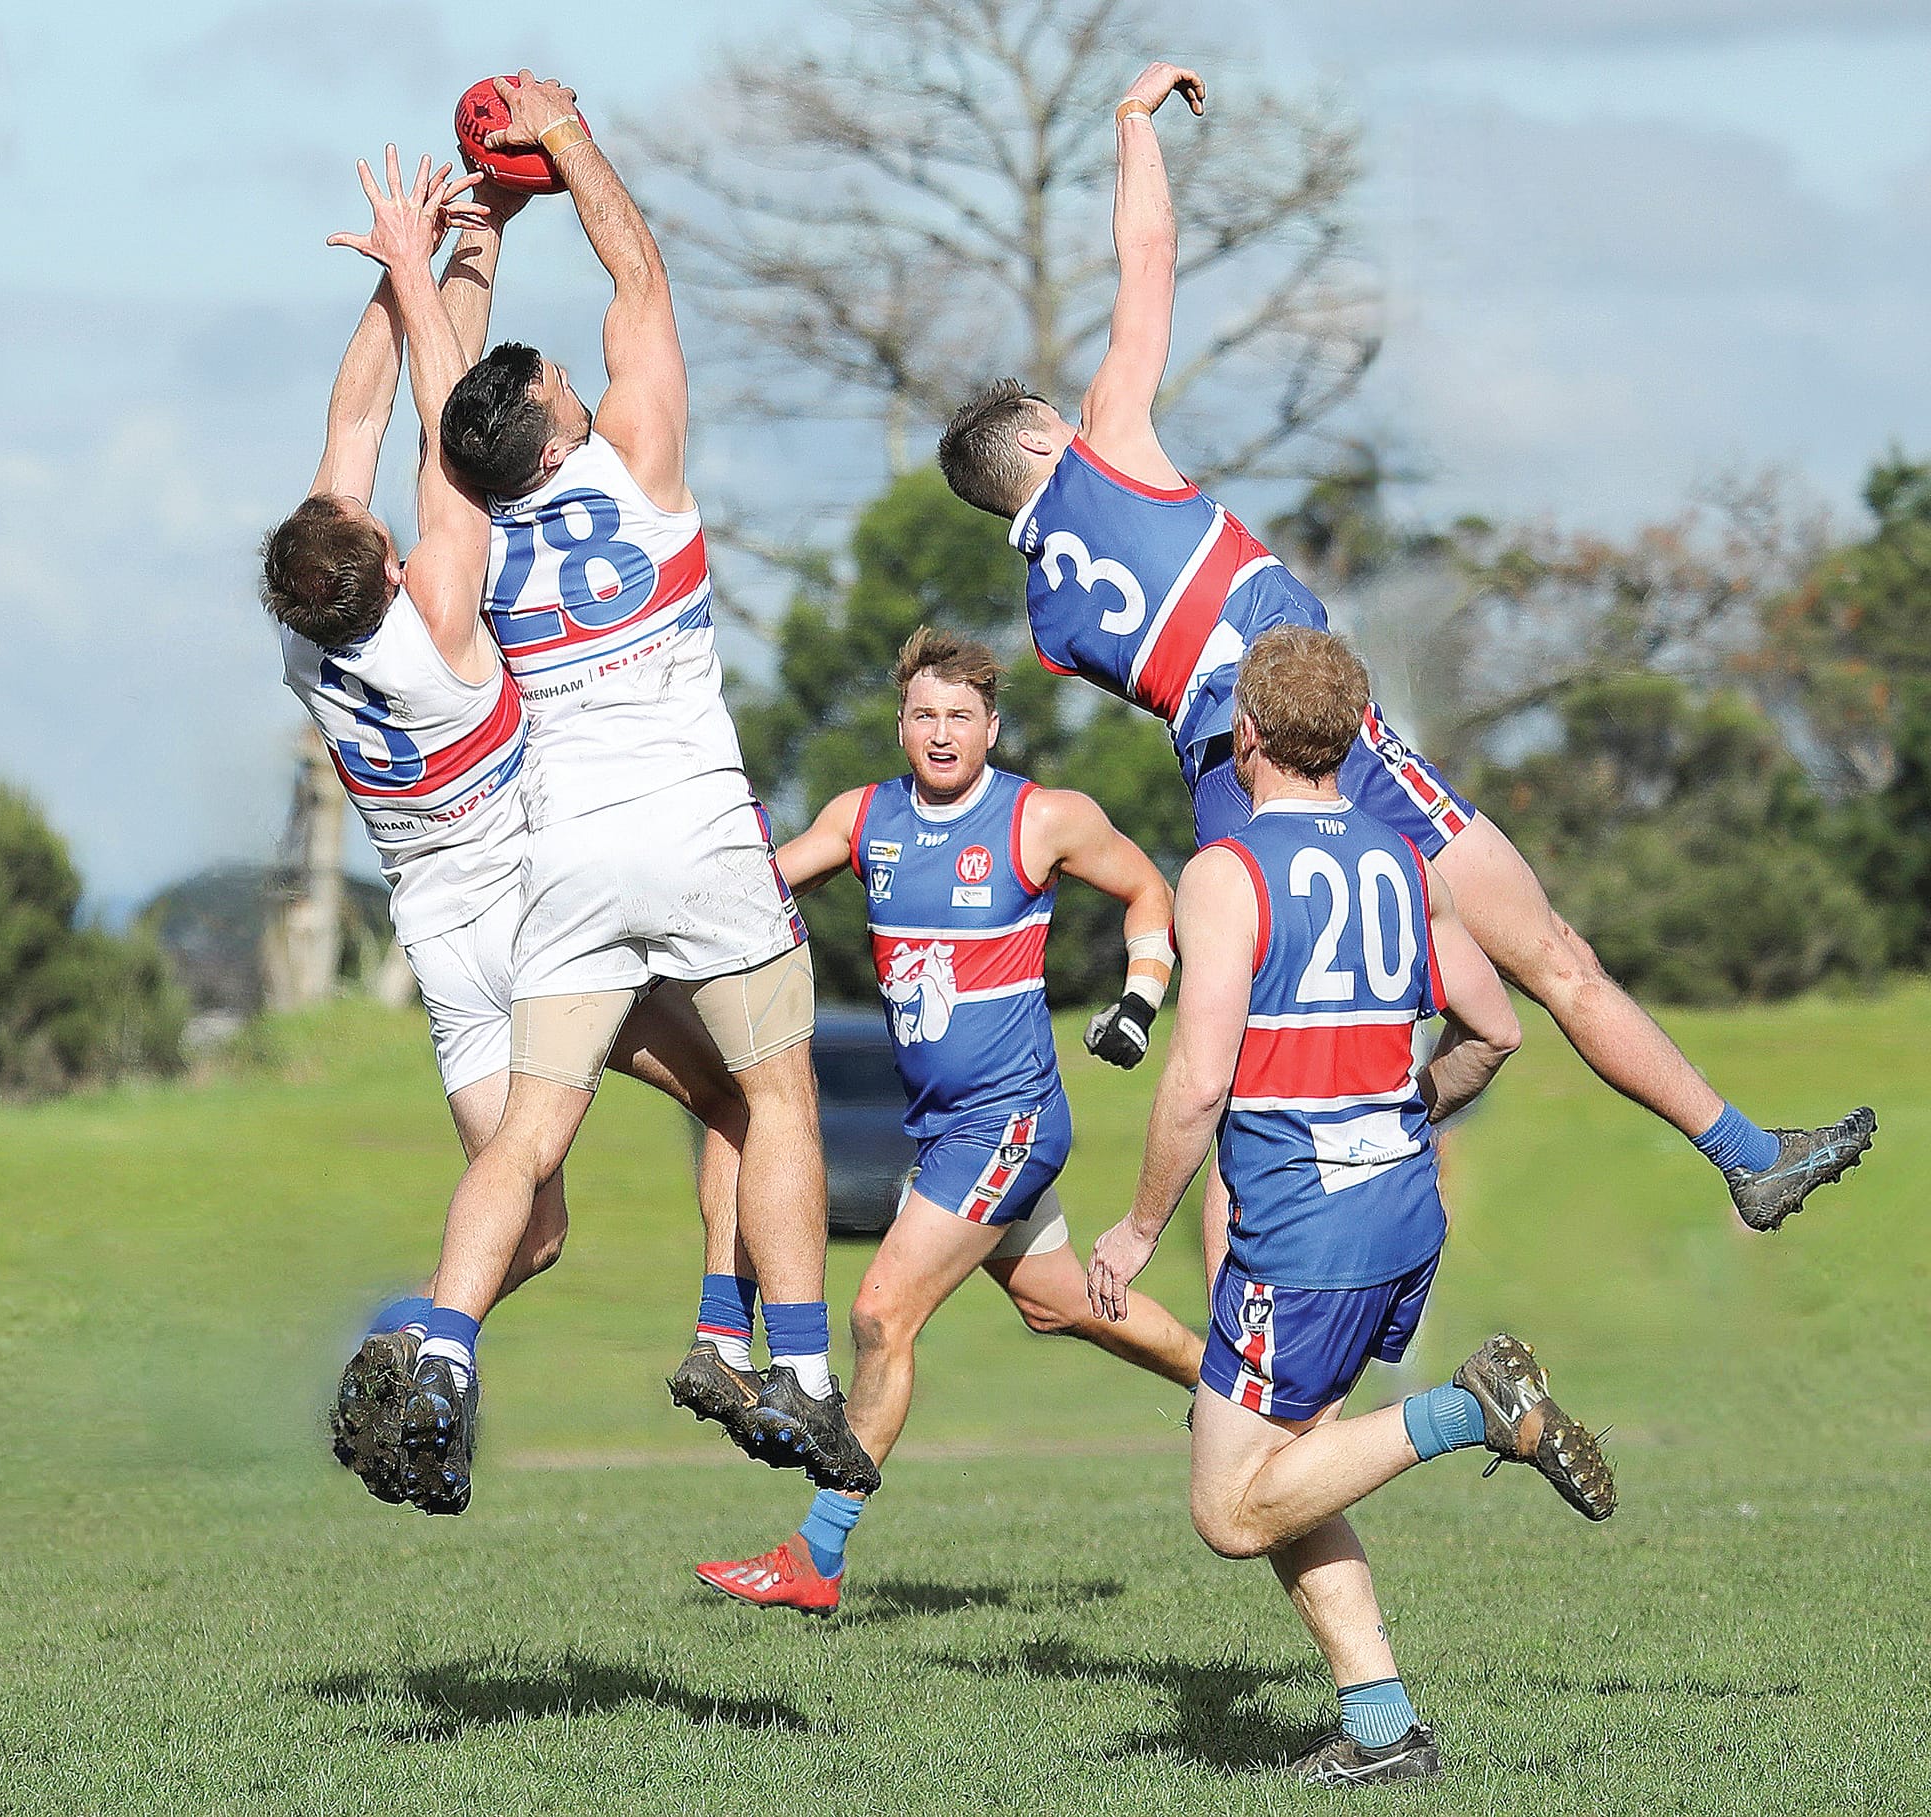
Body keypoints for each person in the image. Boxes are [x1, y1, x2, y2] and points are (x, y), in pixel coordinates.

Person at [935, 60, 1873, 1258]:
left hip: (1227, 787)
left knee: (1258, 1073)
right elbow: (1148, 256)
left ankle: (1243, 1330)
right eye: (1052, 417)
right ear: (1037, 440)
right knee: (1551, 961)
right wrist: (1130, 118)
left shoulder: (1048, 617)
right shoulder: (1103, 443)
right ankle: (1743, 1154)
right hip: (1325, 740)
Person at [403, 73, 876, 1513]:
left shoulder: (474, 524)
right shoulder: (644, 467)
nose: (577, 381)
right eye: (563, 385)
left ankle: (442, 1345)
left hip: (567, 863)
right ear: (560, 437)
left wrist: (459, 250)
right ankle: (799, 1367)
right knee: (777, 1094)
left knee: (530, 1135)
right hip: (701, 836)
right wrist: (565, 134)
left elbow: (444, 403)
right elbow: (642, 278)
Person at [262, 151, 751, 1507]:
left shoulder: (306, 649)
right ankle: (726, 1334)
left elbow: (353, 422)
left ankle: (410, 1353)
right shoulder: (440, 608)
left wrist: (408, 268)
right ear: (384, 562)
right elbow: (443, 428)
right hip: (538, 913)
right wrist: (458, 252)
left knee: (530, 1230)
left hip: (438, 939)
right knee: (739, 1097)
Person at [1088, 625, 1615, 1786]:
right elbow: (1495, 1030)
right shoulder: (1404, 861)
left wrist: (1135, 1227)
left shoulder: (1224, 872)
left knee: (1231, 1509)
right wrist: (1401, 1111)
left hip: (1302, 1234)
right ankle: (1382, 1728)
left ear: (1247, 735)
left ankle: (1471, 1408)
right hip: (1399, 1214)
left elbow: (1196, 1081)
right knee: (1287, 1465)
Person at [693, 629, 1204, 1614]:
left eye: (960, 716)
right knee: (1058, 1302)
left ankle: (817, 1554)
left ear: (990, 727)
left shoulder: (1040, 817)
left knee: (881, 1313)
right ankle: (1228, 1385)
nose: (941, 733)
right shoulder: (863, 817)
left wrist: (1141, 998)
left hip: (1008, 1123)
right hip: (943, 1129)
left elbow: (1151, 887)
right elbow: (756, 888)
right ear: (900, 724)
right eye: (924, 714)